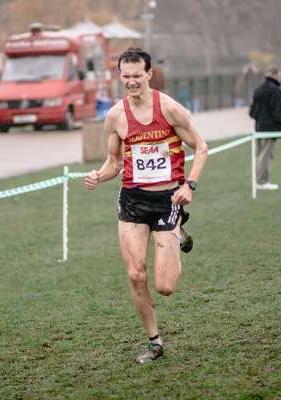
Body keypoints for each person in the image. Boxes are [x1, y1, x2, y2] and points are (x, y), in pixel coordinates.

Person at [85, 48, 208, 363]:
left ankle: (178, 226)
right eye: (125, 77)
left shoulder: (169, 110)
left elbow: (202, 147)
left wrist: (189, 185)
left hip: (168, 198)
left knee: (165, 286)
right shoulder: (115, 116)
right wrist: (98, 175)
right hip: (133, 200)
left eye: (137, 76)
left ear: (149, 74)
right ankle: (155, 342)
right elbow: (113, 163)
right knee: (135, 274)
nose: (131, 82)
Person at [249, 65, 281, 191]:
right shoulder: (275, 90)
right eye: (280, 75)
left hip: (259, 127)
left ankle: (259, 181)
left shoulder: (258, 89)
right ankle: (261, 182)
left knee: (261, 155)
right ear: (275, 75)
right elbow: (278, 112)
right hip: (269, 129)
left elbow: (252, 112)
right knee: (265, 155)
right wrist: (280, 126)